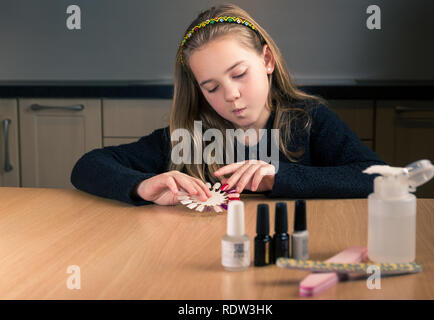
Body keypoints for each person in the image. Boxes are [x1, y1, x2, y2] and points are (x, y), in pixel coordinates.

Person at [71, 3, 387, 206]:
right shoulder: (190, 136)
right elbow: (88, 165)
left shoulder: (309, 122)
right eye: (212, 87)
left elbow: (380, 176)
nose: (231, 95)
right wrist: (140, 186)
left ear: (266, 59)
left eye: (239, 74)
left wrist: (278, 177)